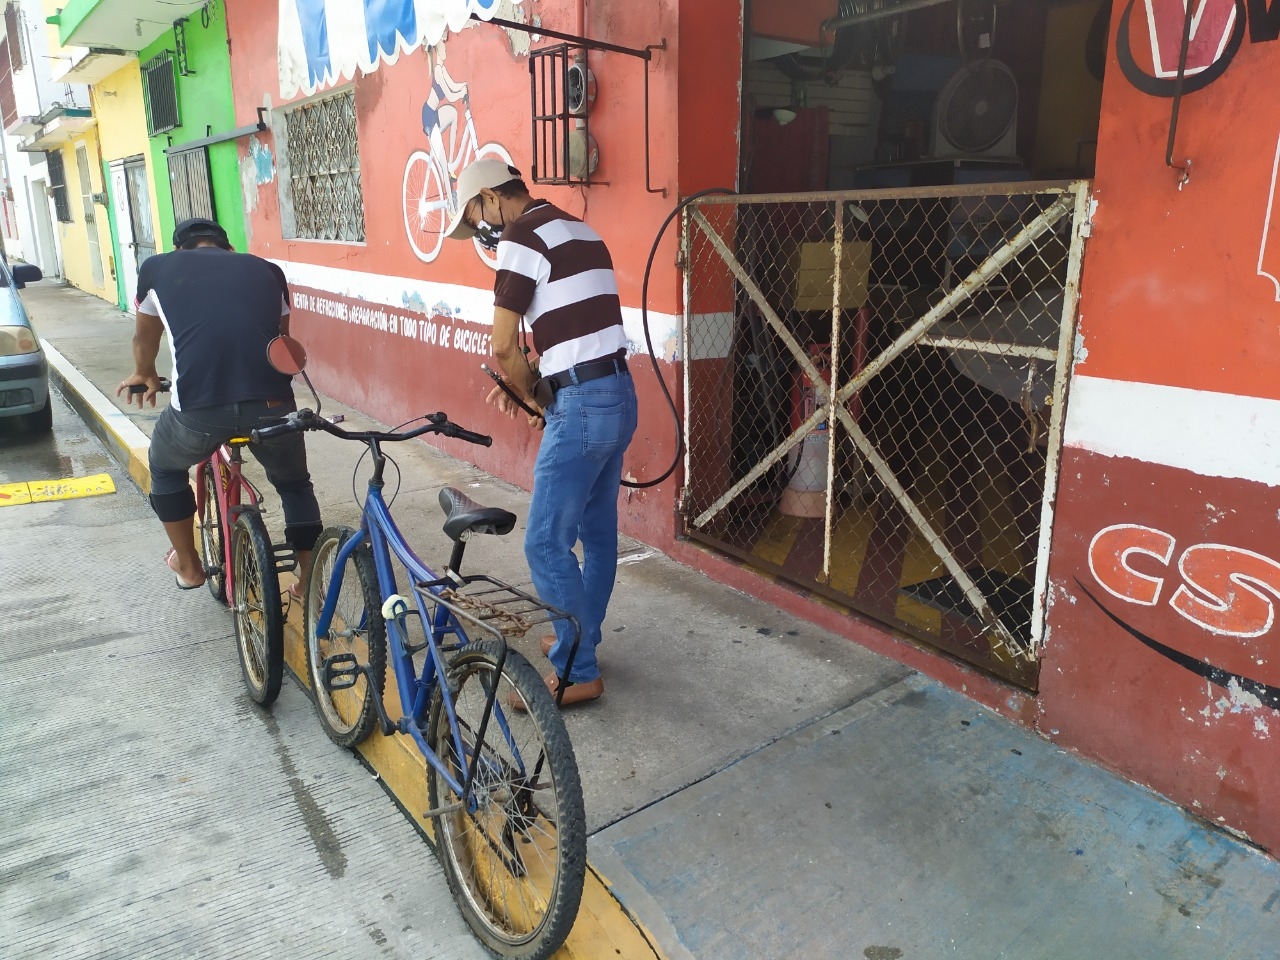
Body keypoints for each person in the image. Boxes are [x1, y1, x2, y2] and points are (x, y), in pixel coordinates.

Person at [444, 159, 637, 706]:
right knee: (596, 535)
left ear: (487, 198)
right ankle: (584, 640)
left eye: (475, 213)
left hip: (580, 402)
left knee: (545, 542)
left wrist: (530, 394)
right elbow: (573, 327)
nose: (479, 226)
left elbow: (503, 346)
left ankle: (577, 670)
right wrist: (538, 392)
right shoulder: (578, 228)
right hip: (620, 393)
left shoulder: (521, 235)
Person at [117, 217, 321, 595]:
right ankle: (309, 579)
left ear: (179, 249)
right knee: (294, 484)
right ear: (228, 248)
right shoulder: (268, 270)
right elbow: (283, 345)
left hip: (198, 411)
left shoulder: (157, 267)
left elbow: (145, 336)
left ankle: (190, 566)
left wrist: (144, 374)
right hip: (273, 405)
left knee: (164, 466)